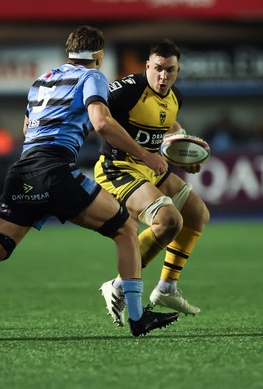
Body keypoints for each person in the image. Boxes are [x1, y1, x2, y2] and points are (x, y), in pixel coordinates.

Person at [0, 26, 179, 337]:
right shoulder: (92, 76)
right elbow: (101, 122)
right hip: (56, 172)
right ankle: (137, 318)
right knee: (125, 229)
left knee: (2, 247)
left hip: (22, 172)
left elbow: (28, 127)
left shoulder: (40, 81)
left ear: (69, 51)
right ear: (98, 56)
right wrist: (146, 155)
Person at [95, 39, 210, 327]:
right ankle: (119, 284)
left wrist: (184, 151)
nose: (163, 77)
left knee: (197, 214)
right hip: (117, 167)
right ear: (147, 65)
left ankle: (166, 289)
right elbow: (98, 117)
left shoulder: (175, 97)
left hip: (149, 168)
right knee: (169, 220)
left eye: (170, 70)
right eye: (157, 69)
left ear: (177, 70)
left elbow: (168, 124)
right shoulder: (126, 90)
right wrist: (147, 155)